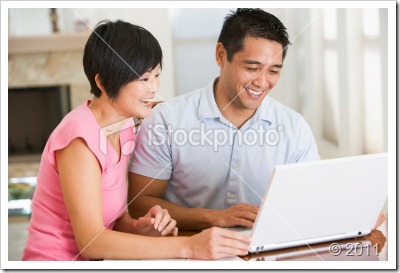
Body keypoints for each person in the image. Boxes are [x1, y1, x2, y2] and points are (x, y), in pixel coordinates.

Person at [22, 20, 250, 261]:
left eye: (156, 75)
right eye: (143, 79)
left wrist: (139, 228)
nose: (153, 88)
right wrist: (190, 246)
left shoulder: (125, 126)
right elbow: (91, 242)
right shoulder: (80, 139)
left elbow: (115, 221)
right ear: (103, 82)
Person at [127, 9, 320, 231]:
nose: (262, 82)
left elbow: (310, 201)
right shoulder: (165, 121)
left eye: (274, 71)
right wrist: (214, 218)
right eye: (251, 68)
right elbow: (139, 205)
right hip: (188, 247)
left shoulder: (294, 127)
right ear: (221, 55)